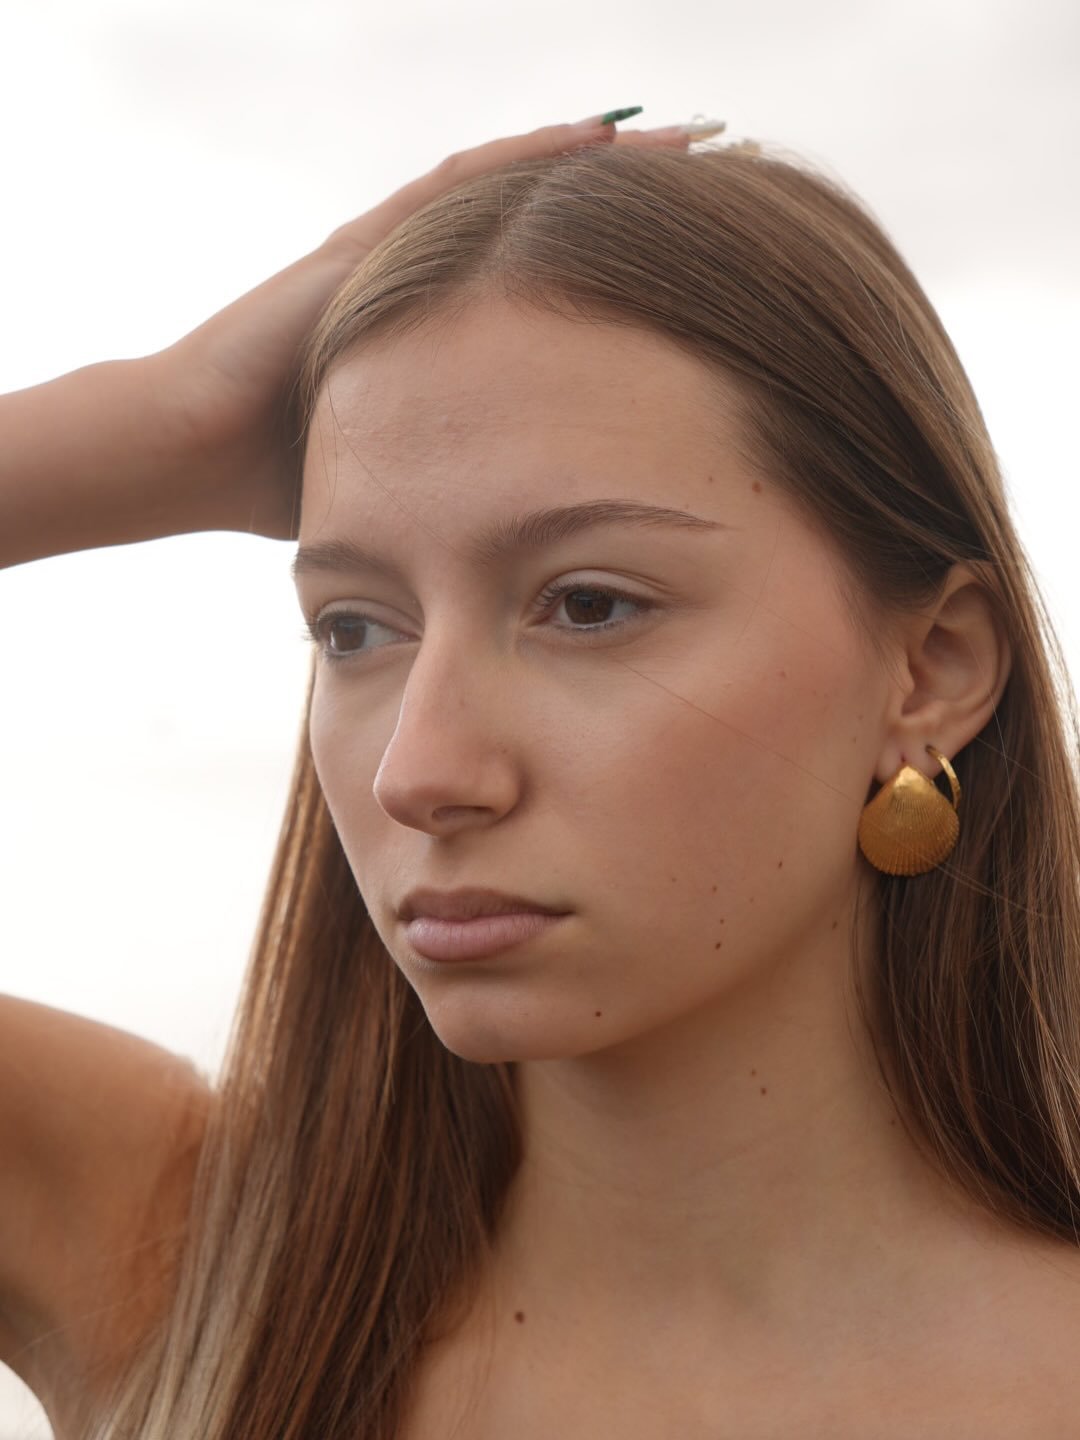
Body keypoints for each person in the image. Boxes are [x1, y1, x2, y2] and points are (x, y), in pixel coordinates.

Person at [3, 107, 1080, 1440]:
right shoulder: (194, 1273)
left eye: (587, 605)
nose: (421, 770)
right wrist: (162, 423)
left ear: (929, 673)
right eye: (355, 626)